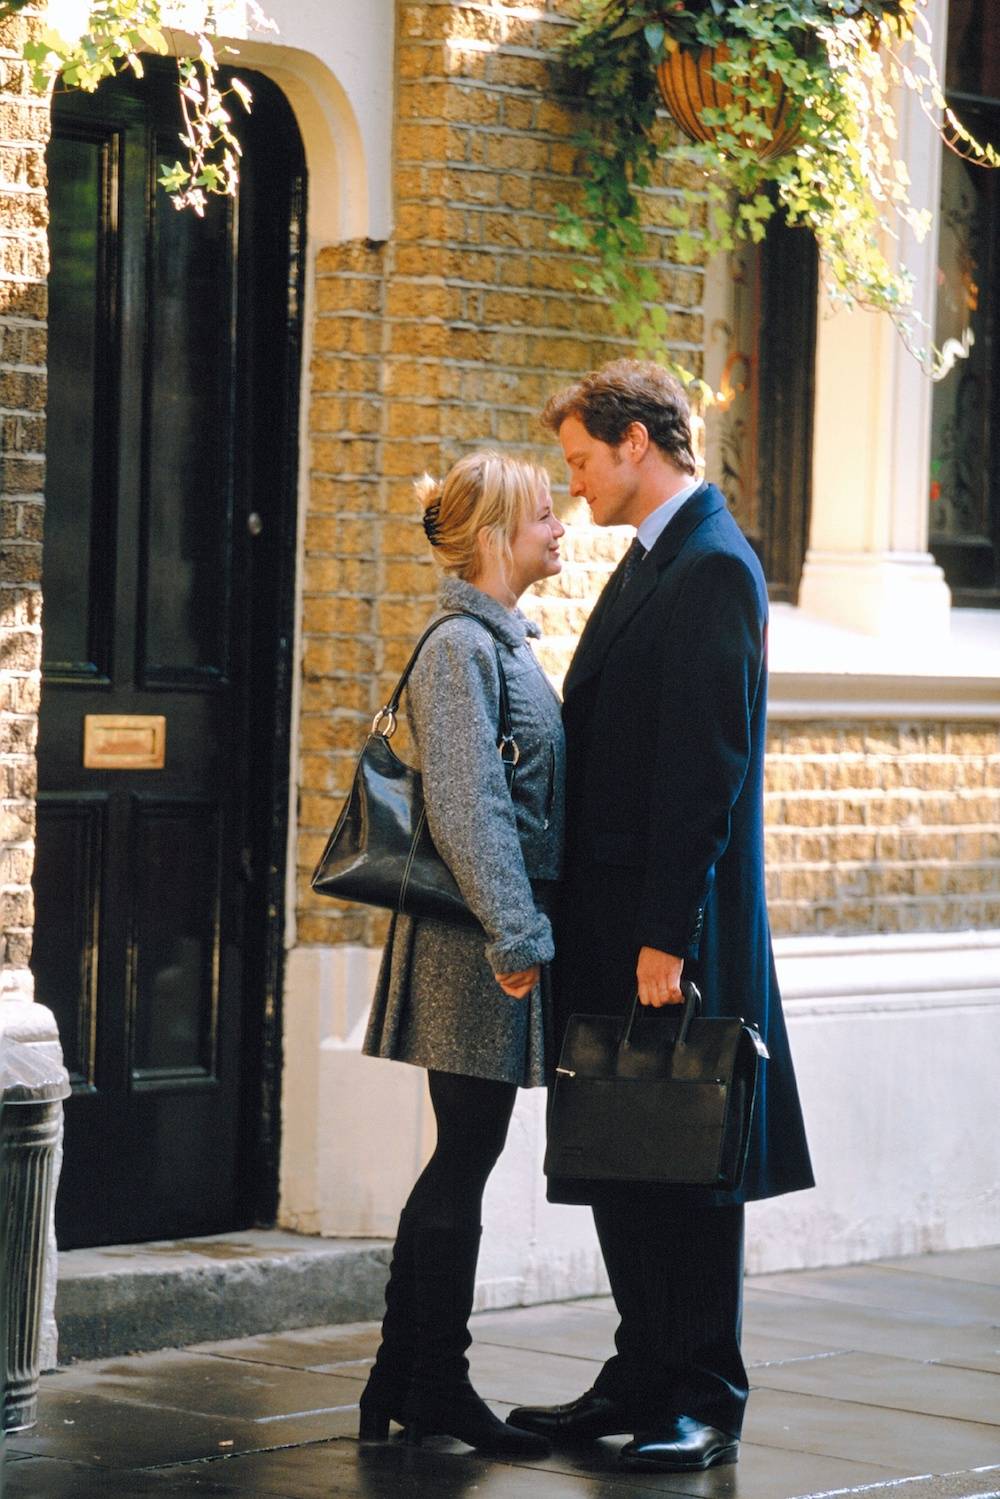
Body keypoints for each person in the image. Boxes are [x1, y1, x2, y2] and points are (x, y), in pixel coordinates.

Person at [508, 360, 814, 1473]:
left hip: (665, 926)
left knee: (686, 1158)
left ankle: (702, 1392)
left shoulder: (714, 565)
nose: (576, 482)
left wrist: (664, 937)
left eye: (584, 459)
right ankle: (639, 1371)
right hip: (615, 913)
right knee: (625, 1147)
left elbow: (706, 771)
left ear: (637, 442)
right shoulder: (655, 558)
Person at [360, 451, 566, 1457]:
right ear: (494, 536)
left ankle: (403, 1372)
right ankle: (432, 1377)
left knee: (465, 1152)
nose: (558, 528)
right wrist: (517, 933)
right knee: (464, 1152)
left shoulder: (502, 642)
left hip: (485, 934)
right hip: (474, 942)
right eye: (541, 516)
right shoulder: (461, 647)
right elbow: (467, 803)